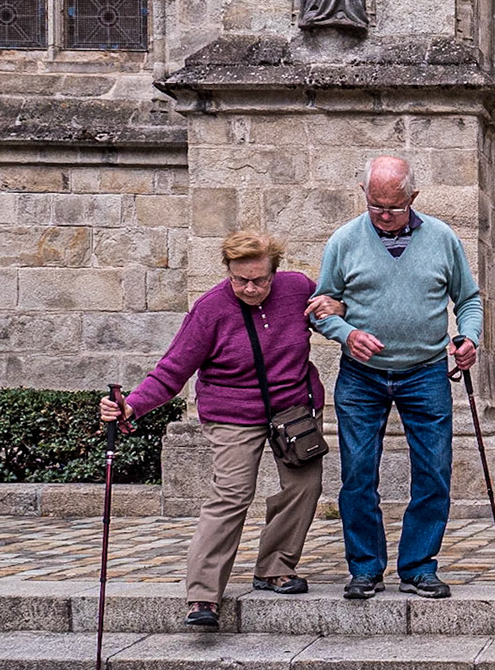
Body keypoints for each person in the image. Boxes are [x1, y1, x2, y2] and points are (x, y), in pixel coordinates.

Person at [101, 230, 339, 629]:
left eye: (259, 280)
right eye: (239, 279)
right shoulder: (210, 309)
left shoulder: (297, 287)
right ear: (228, 272)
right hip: (232, 413)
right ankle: (203, 595)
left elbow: (331, 312)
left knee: (304, 486)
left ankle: (274, 567)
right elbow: (172, 370)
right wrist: (132, 406)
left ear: (274, 272)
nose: (249, 288)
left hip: (294, 410)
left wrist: (337, 306)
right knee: (232, 493)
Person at [309, 155, 482, 600]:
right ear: (364, 196)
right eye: (376, 206)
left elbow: (469, 300)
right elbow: (321, 305)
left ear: (413, 198)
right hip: (361, 377)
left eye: (395, 207)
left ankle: (419, 566)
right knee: (359, 473)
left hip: (424, 373)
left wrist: (469, 337)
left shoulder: (442, 238)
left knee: (434, 471)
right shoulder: (345, 240)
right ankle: (365, 567)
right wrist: (346, 335)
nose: (384, 216)